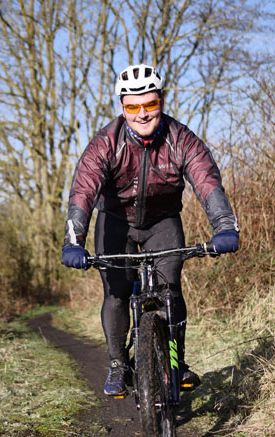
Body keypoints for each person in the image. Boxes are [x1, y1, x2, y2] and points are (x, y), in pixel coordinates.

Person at [61, 64, 238, 396]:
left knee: (170, 288)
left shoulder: (181, 139)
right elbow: (83, 191)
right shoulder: (105, 143)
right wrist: (73, 241)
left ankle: (176, 363)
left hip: (162, 222)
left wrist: (225, 227)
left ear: (161, 102)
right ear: (122, 108)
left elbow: (206, 181)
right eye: (132, 107)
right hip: (116, 222)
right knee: (116, 292)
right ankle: (118, 364)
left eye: (150, 104)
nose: (142, 114)